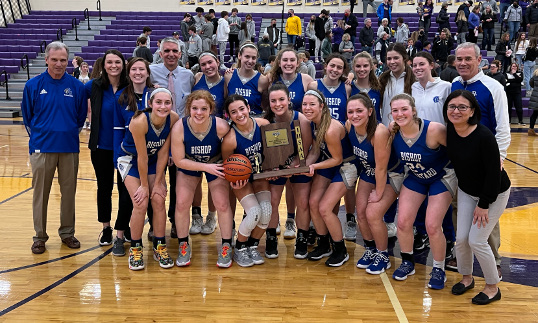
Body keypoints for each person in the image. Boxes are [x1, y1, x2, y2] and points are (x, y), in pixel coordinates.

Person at [444, 90, 510, 305]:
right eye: (452, 106)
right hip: (466, 191)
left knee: (477, 240)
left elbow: (493, 175)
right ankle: (467, 278)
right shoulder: (450, 132)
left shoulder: (484, 136)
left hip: (493, 193)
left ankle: (492, 287)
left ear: (472, 111)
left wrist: (483, 204)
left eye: (463, 107)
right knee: (461, 239)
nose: (456, 111)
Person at [452, 42, 511, 279]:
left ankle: (493, 258)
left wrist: (500, 158)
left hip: (486, 162)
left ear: (479, 61)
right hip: (463, 162)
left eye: (468, 59)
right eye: (459, 59)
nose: (463, 63)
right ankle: (462, 257)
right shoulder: (456, 84)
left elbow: (503, 127)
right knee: (461, 211)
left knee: (486, 214)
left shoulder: (493, 87)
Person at [21, 42, 86, 254]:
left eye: (63, 60)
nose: (59, 64)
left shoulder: (76, 87)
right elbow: (28, 116)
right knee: (41, 194)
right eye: (55, 59)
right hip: (41, 147)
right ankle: (39, 236)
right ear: (47, 60)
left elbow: (79, 117)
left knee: (69, 193)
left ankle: (67, 232)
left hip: (69, 148)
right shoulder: (33, 85)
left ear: (68, 61)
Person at [388, 93, 455, 289]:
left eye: (404, 109)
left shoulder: (433, 129)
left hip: (441, 177)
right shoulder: (393, 131)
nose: (400, 114)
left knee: (432, 225)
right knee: (402, 222)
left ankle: (438, 268)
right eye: (395, 110)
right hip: (417, 177)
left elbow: (459, 151)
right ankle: (408, 261)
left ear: (414, 110)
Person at [117, 88, 179, 270]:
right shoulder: (139, 121)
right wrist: (144, 185)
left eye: (167, 103)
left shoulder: (173, 119)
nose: (163, 106)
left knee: (159, 199)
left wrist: (159, 181)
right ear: (150, 104)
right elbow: (141, 157)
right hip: (130, 158)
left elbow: (162, 154)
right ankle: (136, 248)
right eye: (158, 102)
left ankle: (159, 245)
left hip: (152, 160)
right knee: (141, 201)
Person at [171, 90, 233, 268]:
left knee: (222, 203)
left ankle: (226, 244)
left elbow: (232, 149)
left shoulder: (221, 126)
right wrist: (205, 167)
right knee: (182, 203)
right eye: (195, 108)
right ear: (189, 108)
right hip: (189, 163)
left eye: (204, 109)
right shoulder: (180, 128)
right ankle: (183, 244)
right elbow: (178, 160)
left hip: (216, 162)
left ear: (211, 109)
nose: (199, 113)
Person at [347, 93, 402, 274]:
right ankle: (370, 249)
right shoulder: (350, 127)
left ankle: (383, 254)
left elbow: (381, 169)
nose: (354, 115)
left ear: (370, 111)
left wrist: (378, 194)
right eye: (350, 111)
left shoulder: (378, 132)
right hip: (369, 172)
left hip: (391, 174)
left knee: (372, 213)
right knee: (360, 212)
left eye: (359, 111)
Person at [303, 89, 357, 267]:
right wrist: (305, 164)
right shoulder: (314, 123)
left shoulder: (331, 128)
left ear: (322, 106)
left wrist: (314, 166)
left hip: (346, 166)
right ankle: (324, 243)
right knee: (313, 203)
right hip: (329, 163)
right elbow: (316, 150)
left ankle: (340, 250)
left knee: (325, 208)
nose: (307, 108)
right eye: (305, 104)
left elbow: (338, 159)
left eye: (312, 104)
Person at [150, 37, 196, 237]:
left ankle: (176, 221)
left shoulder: (188, 75)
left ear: (180, 54)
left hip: (183, 138)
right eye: (166, 51)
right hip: (156, 137)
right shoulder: (150, 71)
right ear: (160, 53)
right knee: (156, 182)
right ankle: (153, 224)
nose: (170, 54)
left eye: (174, 51)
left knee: (180, 185)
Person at [263, 83, 313, 258]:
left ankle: (302, 238)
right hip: (277, 165)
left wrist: (293, 167)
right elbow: (266, 152)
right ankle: (271, 238)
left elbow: (304, 152)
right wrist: (272, 166)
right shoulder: (266, 121)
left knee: (303, 201)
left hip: (298, 164)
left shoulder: (302, 120)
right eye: (273, 101)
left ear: (289, 100)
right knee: (272, 201)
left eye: (281, 99)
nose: (278, 104)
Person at [86, 49, 131, 247]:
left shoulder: (129, 86)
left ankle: (124, 225)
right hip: (101, 146)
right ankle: (106, 228)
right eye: (109, 62)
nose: (114, 66)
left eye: (117, 62)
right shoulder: (94, 86)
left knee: (126, 189)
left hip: (125, 148)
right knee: (104, 187)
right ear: (103, 65)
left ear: (123, 64)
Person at [221, 94, 271, 267]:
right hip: (241, 179)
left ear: (248, 108)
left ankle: (252, 245)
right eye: (233, 112)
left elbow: (274, 151)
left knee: (266, 211)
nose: (239, 114)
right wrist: (234, 181)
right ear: (229, 116)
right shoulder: (230, 140)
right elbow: (228, 168)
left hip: (260, 175)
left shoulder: (263, 125)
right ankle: (240, 247)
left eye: (241, 109)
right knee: (254, 213)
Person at [112, 57, 154, 255]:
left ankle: (155, 232)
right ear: (128, 74)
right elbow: (117, 129)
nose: (138, 73)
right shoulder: (121, 96)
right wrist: (116, 157)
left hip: (152, 155)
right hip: (128, 156)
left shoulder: (155, 95)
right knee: (128, 198)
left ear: (147, 72)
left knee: (154, 196)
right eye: (134, 69)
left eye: (142, 69)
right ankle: (119, 236)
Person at [225, 43, 269, 115]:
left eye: (253, 58)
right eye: (247, 57)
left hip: (254, 120)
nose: (250, 61)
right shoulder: (229, 76)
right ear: (239, 55)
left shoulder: (262, 80)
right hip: (233, 121)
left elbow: (265, 107)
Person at [308, 53, 351, 124]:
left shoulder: (347, 88)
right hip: (318, 131)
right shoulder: (313, 86)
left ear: (343, 71)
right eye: (332, 65)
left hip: (340, 131)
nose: (335, 70)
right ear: (325, 66)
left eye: (339, 67)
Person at [412, 51, 452, 124]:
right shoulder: (412, 88)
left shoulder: (446, 87)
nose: (417, 68)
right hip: (417, 134)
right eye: (414, 65)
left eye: (421, 64)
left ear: (431, 65)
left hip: (439, 134)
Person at [528, 68, 538, 134]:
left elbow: (530, 83)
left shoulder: (535, 75)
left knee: (535, 113)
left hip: (535, 96)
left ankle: (531, 129)